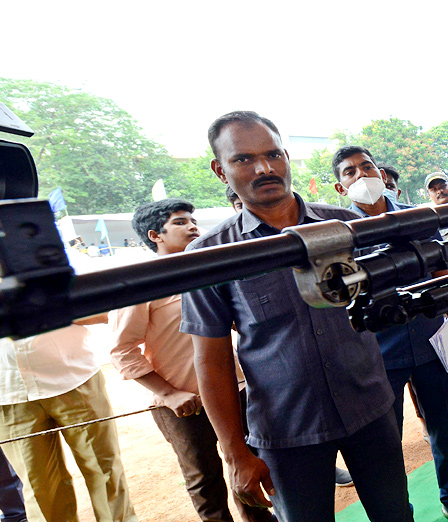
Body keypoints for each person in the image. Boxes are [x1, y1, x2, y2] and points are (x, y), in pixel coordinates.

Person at [181, 111, 411, 521]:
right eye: (243, 159)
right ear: (220, 170)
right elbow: (211, 361)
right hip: (286, 431)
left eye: (272, 154)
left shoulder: (346, 226)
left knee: (396, 514)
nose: (264, 168)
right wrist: (235, 453)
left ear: (287, 156)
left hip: (371, 409)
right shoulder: (208, 256)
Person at [331, 145, 448, 521]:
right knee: (386, 441)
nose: (362, 176)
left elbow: (445, 280)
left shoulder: (416, 219)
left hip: (431, 345)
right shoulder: (336, 235)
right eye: (350, 172)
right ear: (339, 186)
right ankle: (400, 512)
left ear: (382, 175)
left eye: (368, 167)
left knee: (444, 427)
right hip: (377, 357)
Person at [114, 198, 275, 522]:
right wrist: (170, 394)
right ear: (154, 235)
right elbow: (122, 349)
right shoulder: (141, 283)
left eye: (192, 220)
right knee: (205, 479)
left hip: (234, 391)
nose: (192, 227)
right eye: (179, 222)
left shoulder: (207, 272)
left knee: (248, 462)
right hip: (183, 406)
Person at [0, 322, 137, 522]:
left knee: (105, 472)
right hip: (8, 390)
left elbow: (100, 309)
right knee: (39, 487)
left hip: (73, 372)